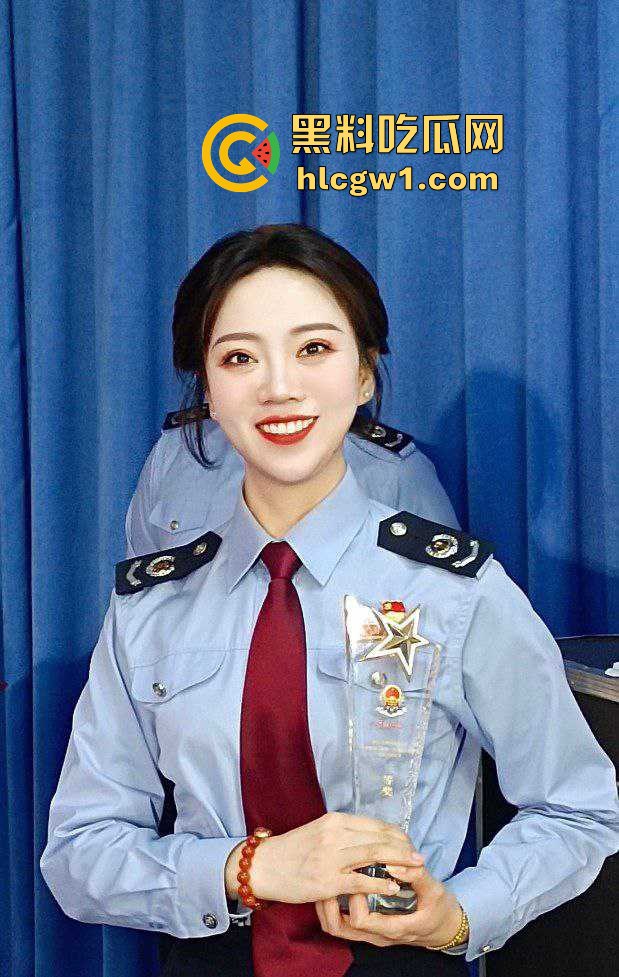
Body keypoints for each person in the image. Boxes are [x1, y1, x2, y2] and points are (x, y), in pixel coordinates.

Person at [40, 224, 619, 977]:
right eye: (240, 357)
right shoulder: (150, 608)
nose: (279, 386)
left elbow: (580, 806)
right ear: (208, 390)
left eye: (313, 348)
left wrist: (460, 914)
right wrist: (248, 869)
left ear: (364, 374)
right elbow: (80, 853)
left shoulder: (453, 590)